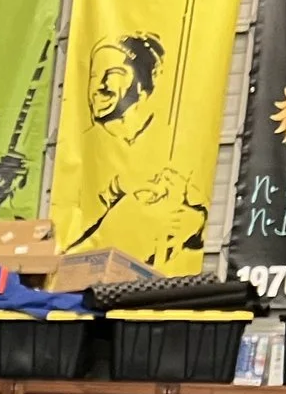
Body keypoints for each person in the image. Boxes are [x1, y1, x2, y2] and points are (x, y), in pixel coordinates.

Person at [66, 33, 207, 266]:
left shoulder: (174, 143)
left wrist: (196, 222)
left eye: (113, 75)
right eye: (94, 75)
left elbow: (203, 207)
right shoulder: (80, 148)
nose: (100, 86)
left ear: (143, 84)